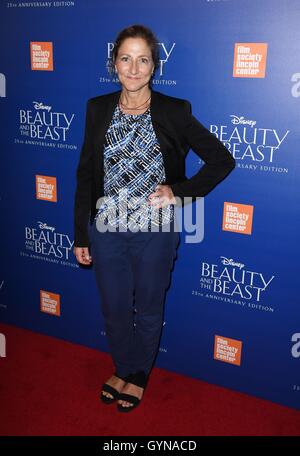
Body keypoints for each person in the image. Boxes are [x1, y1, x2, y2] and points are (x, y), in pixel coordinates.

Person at [73, 24, 236, 412]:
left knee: (147, 306)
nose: (133, 68)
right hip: (106, 229)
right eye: (125, 59)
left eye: (142, 59)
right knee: (113, 307)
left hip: (155, 230)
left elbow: (221, 160)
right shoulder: (97, 108)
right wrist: (81, 234)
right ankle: (124, 367)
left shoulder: (174, 111)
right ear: (114, 65)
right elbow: (85, 174)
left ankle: (138, 375)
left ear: (154, 66)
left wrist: (177, 192)